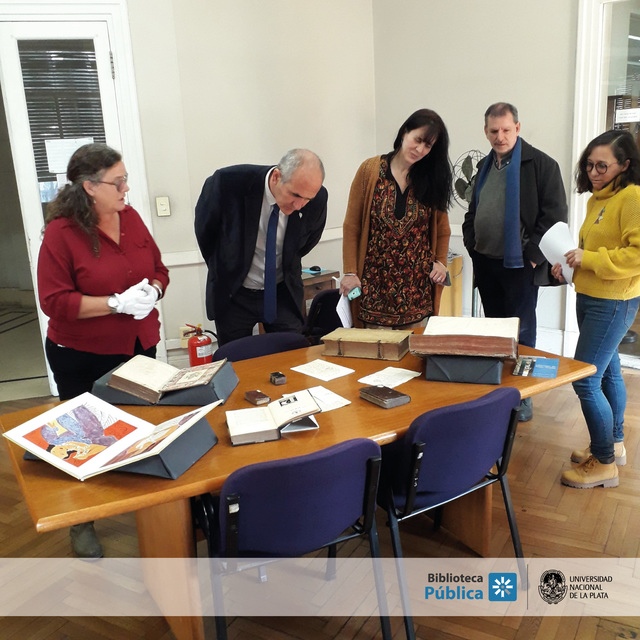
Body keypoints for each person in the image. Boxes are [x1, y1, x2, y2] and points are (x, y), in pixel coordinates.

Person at [38, 142, 169, 557]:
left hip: (138, 346)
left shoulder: (130, 218)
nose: (126, 189)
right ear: (90, 187)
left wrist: (153, 290)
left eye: (125, 178)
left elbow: (161, 269)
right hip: (81, 353)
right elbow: (54, 302)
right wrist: (114, 303)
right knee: (84, 440)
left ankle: (149, 512)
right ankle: (82, 522)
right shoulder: (62, 232)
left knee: (141, 431)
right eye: (119, 181)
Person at [462, 102, 568, 421]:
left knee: (522, 331)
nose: (500, 136)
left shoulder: (541, 165)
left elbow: (555, 216)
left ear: (517, 128)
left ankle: (523, 396)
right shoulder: (482, 166)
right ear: (486, 131)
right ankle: (500, 391)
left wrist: (534, 258)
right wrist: (471, 241)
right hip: (486, 262)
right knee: (495, 331)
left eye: (506, 130)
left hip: (521, 265)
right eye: (494, 131)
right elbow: (473, 212)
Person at [551, 130, 640, 489]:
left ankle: (603, 462)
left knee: (585, 378)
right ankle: (613, 443)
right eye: (589, 164)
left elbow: (636, 254)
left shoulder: (632, 197)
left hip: (613, 301)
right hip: (588, 296)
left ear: (625, 165)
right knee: (608, 371)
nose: (594, 172)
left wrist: (590, 258)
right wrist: (570, 266)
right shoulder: (596, 200)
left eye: (602, 165)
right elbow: (592, 252)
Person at [195, 149, 327, 346]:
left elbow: (306, 242)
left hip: (282, 292)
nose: (299, 205)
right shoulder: (227, 183)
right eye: (295, 195)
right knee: (236, 361)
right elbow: (205, 232)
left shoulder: (317, 199)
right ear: (276, 177)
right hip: (235, 294)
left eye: (307, 198)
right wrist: (226, 267)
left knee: (292, 354)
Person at [341, 108, 452, 328]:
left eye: (428, 146)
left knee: (413, 358)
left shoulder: (432, 178)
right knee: (373, 355)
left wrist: (440, 262)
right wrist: (350, 272)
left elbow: (443, 229)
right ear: (404, 132)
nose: (420, 149)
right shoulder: (369, 170)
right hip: (373, 290)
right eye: (417, 140)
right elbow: (352, 226)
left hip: (417, 293)